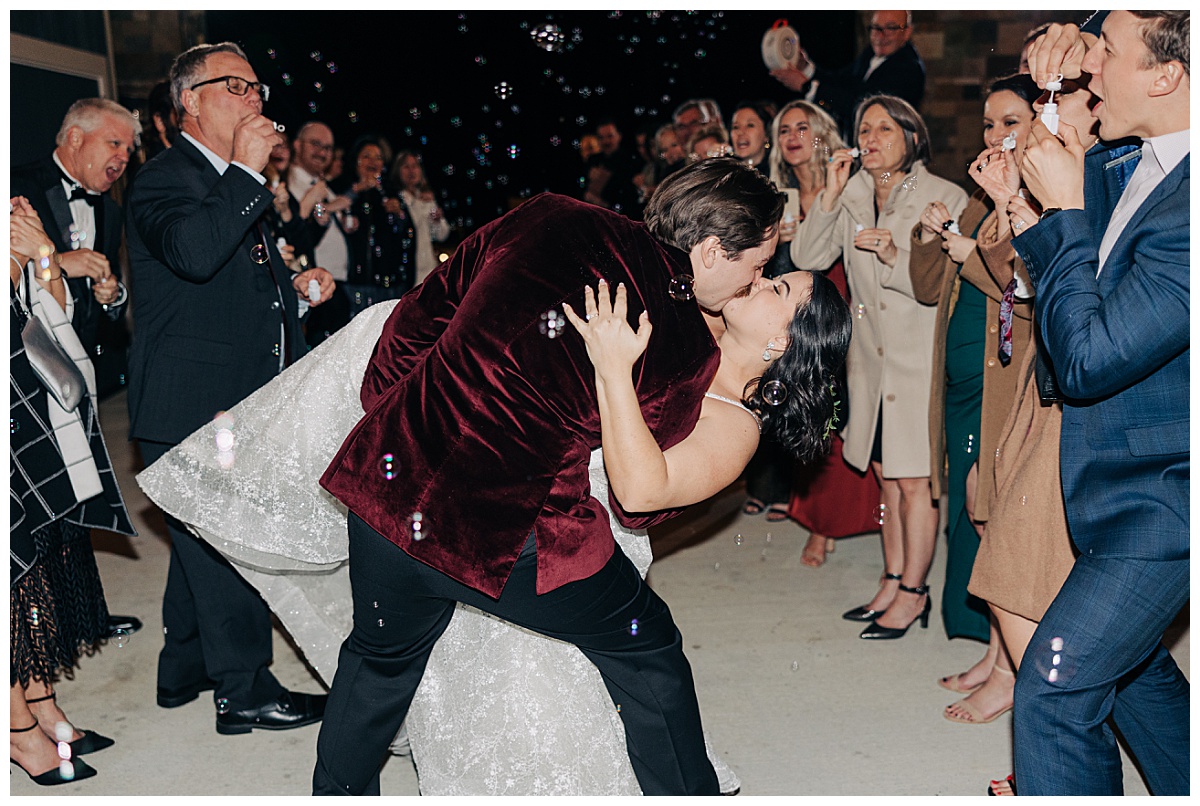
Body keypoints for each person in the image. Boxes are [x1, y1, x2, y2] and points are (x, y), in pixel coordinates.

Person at [308, 158, 794, 795]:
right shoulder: (681, 346)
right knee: (649, 650)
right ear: (709, 250)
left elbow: (411, 324)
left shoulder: (549, 212)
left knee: (376, 665)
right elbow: (638, 503)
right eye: (755, 265)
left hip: (385, 488)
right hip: (505, 539)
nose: (755, 280)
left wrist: (404, 424)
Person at [124, 41, 333, 735]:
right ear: (189, 99)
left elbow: (229, 285)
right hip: (191, 406)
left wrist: (297, 292)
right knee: (228, 546)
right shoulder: (164, 178)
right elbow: (191, 252)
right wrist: (246, 171)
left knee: (200, 543)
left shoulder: (233, 182)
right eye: (235, 87)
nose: (255, 100)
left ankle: (181, 669)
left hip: (237, 402)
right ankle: (243, 691)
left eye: (257, 88)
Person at [1004, 11, 1189, 795]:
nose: (1088, 70)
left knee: (1052, 689)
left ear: (1164, 76)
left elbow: (1085, 359)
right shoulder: (1138, 158)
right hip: (1114, 483)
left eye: (1104, 54)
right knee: (1136, 673)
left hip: (1168, 495)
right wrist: (1068, 32)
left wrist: (1066, 214)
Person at [792, 94, 968, 638]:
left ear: (912, 138)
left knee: (914, 484)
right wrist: (829, 193)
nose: (869, 139)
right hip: (868, 365)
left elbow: (944, 286)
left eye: (883, 129)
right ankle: (892, 579)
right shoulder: (853, 194)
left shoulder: (946, 196)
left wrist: (895, 257)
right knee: (888, 482)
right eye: (863, 129)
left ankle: (915, 594)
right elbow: (808, 259)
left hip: (918, 363)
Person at [908, 73, 1040, 724]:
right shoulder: (988, 198)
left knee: (994, 520)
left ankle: (1012, 672)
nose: (995, 135)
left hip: (1011, 386)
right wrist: (937, 236)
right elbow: (929, 284)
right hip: (970, 383)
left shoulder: (1038, 197)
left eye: (1009, 121)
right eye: (988, 123)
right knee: (980, 511)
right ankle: (997, 656)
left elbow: (1024, 289)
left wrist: (966, 252)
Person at [10, 200, 136, 785]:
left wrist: (41, 256)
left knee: (32, 564)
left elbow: (53, 319)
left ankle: (37, 700)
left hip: (27, 413)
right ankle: (15, 727)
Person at [10, 98, 142, 638]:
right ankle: (50, 619)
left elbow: (99, 299)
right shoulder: (18, 184)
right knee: (44, 499)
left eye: (130, 150)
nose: (123, 158)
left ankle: (82, 612)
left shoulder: (110, 206)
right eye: (115, 144)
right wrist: (57, 260)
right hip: (27, 369)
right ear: (74, 139)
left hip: (75, 368)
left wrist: (113, 295)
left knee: (80, 490)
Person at [766, 99, 882, 564]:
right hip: (799, 315)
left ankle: (837, 519)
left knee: (849, 408)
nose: (792, 136)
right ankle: (820, 517)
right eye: (784, 129)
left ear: (822, 134)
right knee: (811, 407)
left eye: (802, 127)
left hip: (848, 306)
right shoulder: (775, 195)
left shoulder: (854, 186)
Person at [771, 11, 926, 140]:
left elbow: (862, 106)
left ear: (907, 32)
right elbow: (842, 81)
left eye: (890, 28)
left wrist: (806, 86)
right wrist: (805, 68)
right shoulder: (870, 55)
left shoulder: (909, 68)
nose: (881, 35)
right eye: (876, 28)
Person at [341, 135, 417, 315]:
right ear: (355, 161)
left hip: (391, 285)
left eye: (378, 157)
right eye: (366, 155)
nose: (373, 161)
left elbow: (408, 238)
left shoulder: (391, 194)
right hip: (355, 285)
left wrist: (399, 216)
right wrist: (357, 190)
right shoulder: (344, 190)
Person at [391, 150, 450, 286]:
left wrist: (436, 220)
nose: (411, 171)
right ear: (397, 171)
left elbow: (442, 235)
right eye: (406, 166)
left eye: (415, 166)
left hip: (428, 270)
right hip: (407, 273)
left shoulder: (427, 199)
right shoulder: (396, 201)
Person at [729, 100, 775, 172]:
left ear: (766, 134)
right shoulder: (726, 173)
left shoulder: (781, 173)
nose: (740, 132)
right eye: (736, 127)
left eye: (750, 125)